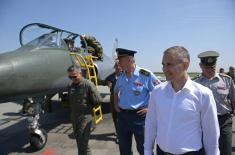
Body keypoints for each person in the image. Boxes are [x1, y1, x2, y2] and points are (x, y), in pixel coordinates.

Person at [144, 46, 220, 155]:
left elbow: (211, 133)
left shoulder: (203, 94)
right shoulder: (157, 92)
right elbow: (151, 123)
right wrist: (147, 150)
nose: (164, 69)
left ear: (185, 65)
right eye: (163, 65)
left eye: (169, 64)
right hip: (161, 152)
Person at [113, 48, 160, 155]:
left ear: (129, 60)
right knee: (124, 149)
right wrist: (116, 104)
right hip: (122, 117)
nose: (118, 63)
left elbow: (160, 92)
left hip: (139, 117)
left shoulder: (145, 75)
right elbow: (115, 91)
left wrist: (150, 109)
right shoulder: (121, 76)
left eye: (120, 60)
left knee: (144, 149)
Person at [195, 51, 235, 155]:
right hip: (203, 122)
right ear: (200, 66)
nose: (209, 70)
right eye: (206, 67)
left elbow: (233, 100)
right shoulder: (195, 83)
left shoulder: (227, 80)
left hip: (223, 121)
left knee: (225, 151)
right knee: (205, 151)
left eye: (212, 67)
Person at [67, 65, 102, 155]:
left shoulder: (88, 84)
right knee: (79, 142)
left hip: (85, 117)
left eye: (74, 76)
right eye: (70, 77)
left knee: (83, 143)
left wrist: (88, 108)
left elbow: (98, 100)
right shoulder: (70, 86)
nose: (72, 79)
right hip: (74, 117)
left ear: (80, 74)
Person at [105, 61, 123, 142]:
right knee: (115, 117)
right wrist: (108, 83)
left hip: (123, 98)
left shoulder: (125, 75)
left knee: (122, 117)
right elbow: (106, 79)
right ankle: (119, 134)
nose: (117, 67)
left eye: (118, 66)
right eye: (116, 66)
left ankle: (123, 133)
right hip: (113, 98)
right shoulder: (112, 76)